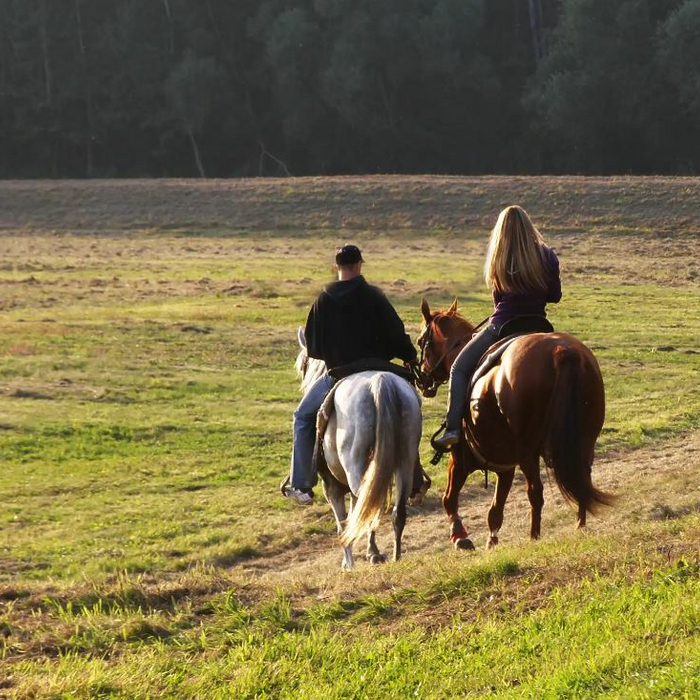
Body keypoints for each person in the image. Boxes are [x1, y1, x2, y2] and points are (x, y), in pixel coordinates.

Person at [283, 244, 418, 505]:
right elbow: (396, 333)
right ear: (359, 265)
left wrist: (337, 353)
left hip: (340, 373)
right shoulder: (375, 296)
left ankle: (300, 484)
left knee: (301, 417)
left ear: (337, 267)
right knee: (411, 408)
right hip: (381, 368)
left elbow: (313, 348)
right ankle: (415, 478)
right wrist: (409, 356)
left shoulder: (323, 299)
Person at [433, 205, 562, 450]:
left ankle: (452, 429)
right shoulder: (547, 256)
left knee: (459, 369)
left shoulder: (499, 257)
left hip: (503, 326)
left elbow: (497, 301)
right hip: (539, 326)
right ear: (529, 226)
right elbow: (554, 296)